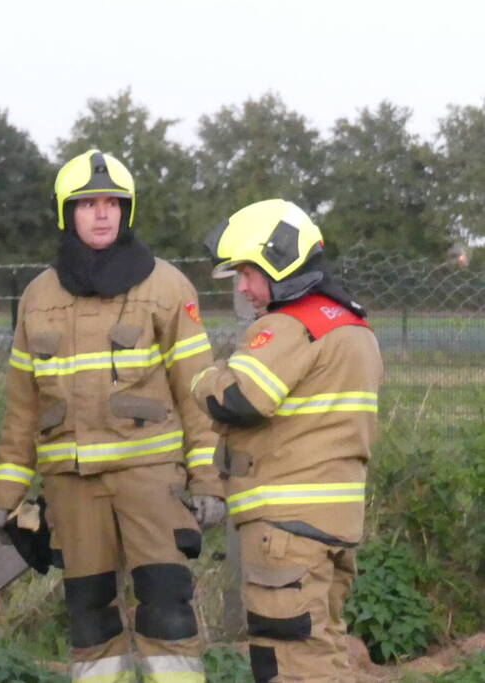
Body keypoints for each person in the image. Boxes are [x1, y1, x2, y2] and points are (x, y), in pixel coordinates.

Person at [0, 149, 223, 682]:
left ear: (127, 211)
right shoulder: (37, 297)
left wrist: (208, 479)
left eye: (113, 203)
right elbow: (22, 409)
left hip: (151, 479)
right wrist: (6, 496)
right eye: (88, 203)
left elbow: (198, 392)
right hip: (72, 486)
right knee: (89, 616)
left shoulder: (167, 287)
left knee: (166, 608)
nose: (102, 213)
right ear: (66, 213)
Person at [192, 199, 383, 682]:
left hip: (286, 531)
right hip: (335, 522)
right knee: (323, 655)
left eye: (248, 272)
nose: (243, 287)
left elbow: (238, 398)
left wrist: (202, 378)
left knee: (288, 663)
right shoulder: (352, 324)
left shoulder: (290, 325)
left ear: (279, 260)